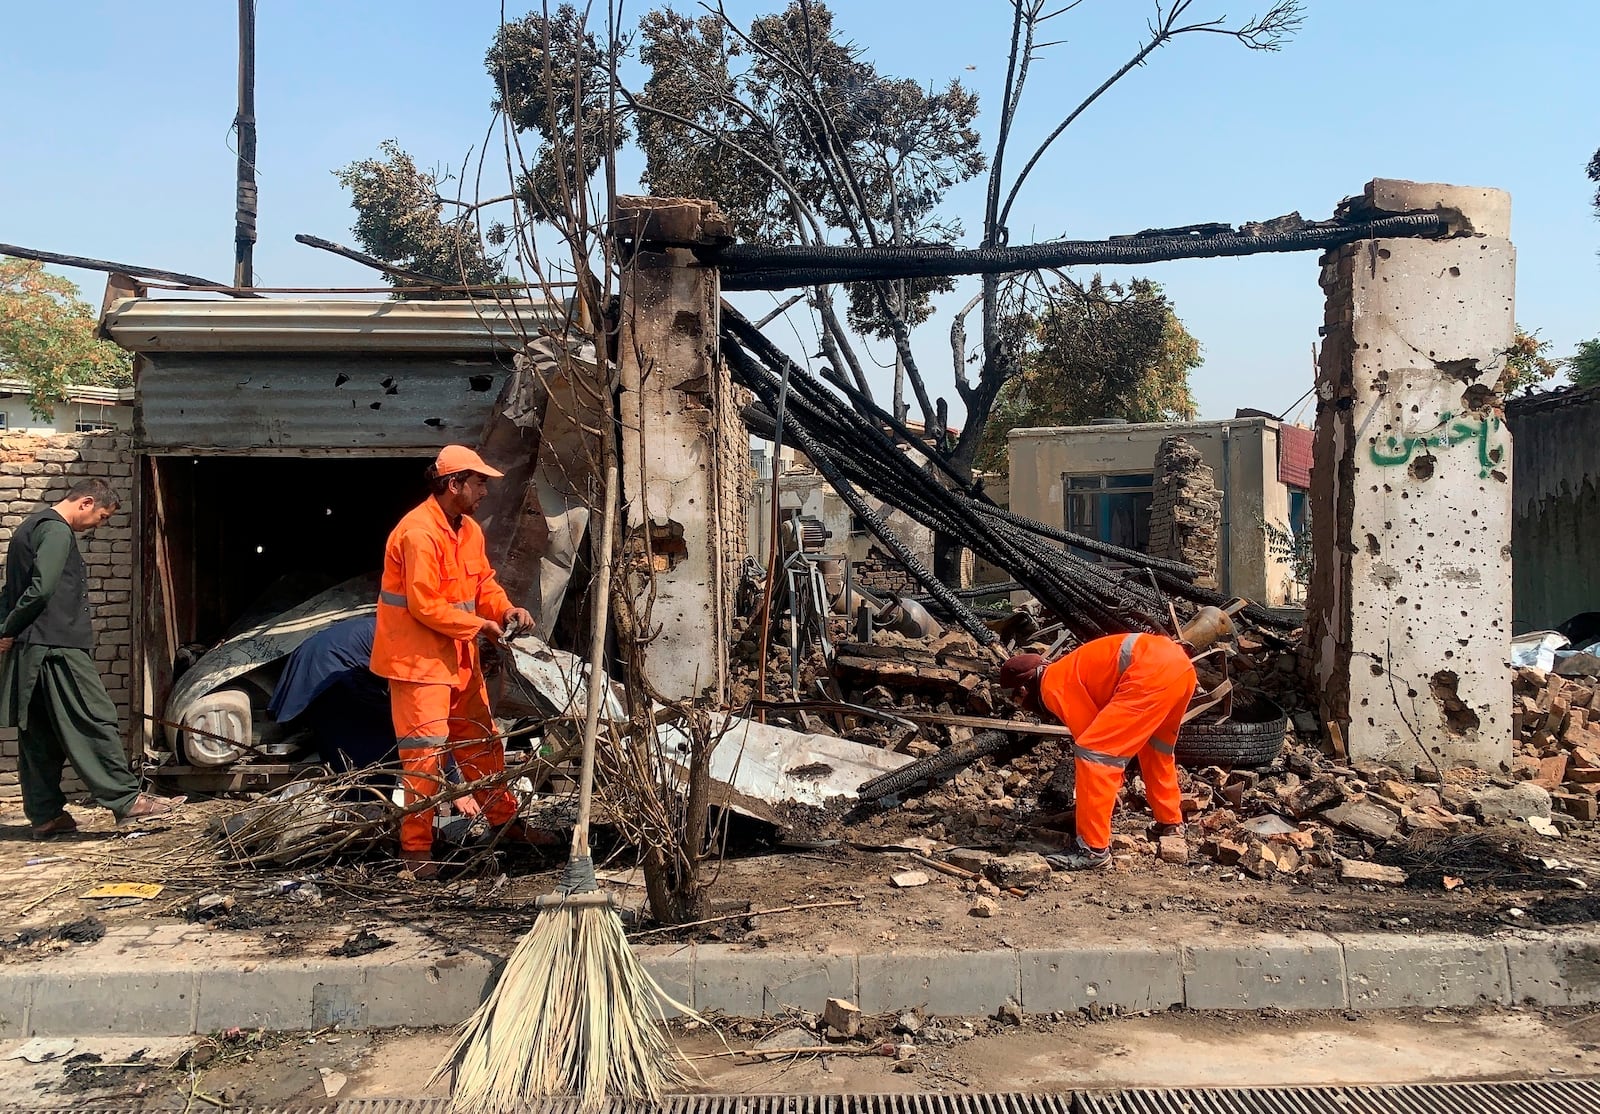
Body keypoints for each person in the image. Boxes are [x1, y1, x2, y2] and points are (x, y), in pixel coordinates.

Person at [370, 445, 540, 878]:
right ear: (453, 484)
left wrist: (505, 610)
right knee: (424, 757)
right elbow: (425, 605)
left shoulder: (468, 531)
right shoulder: (417, 532)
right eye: (479, 481)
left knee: (482, 742)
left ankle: (506, 825)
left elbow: (483, 583)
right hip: (417, 663)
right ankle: (416, 853)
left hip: (457, 657)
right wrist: (482, 626)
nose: (485, 489)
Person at [0, 478, 182, 838]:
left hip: (30, 649)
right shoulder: (56, 532)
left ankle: (46, 815)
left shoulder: (27, 528)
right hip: (57, 647)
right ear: (85, 503)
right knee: (94, 716)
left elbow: (10, 590)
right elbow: (42, 588)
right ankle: (127, 801)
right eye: (101, 517)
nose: (98, 525)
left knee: (40, 733)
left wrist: (6, 629)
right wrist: (9, 627)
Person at [997, 632, 1197, 870]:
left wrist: (1107, 790)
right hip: (1180, 668)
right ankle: (1170, 822)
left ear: (1023, 689)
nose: (1023, 706)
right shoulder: (1068, 668)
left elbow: (1095, 747)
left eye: (1018, 700)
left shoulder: (1053, 686)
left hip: (1150, 671)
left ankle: (1092, 849)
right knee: (1157, 749)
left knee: (1093, 753)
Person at [268, 613, 395, 773]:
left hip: (324, 660)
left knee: (336, 730)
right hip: (331, 667)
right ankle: (359, 788)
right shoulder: (407, 640)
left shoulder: (393, 627)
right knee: (369, 740)